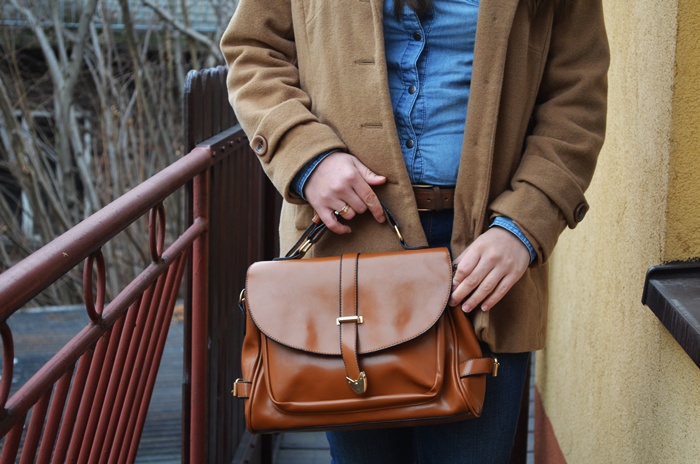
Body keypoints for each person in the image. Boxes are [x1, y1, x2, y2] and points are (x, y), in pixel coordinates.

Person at [221, 0, 609, 462]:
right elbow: (254, 51)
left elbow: (576, 98)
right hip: (349, 248)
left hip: (485, 256)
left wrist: (524, 224)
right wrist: (307, 155)